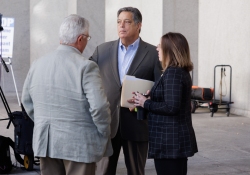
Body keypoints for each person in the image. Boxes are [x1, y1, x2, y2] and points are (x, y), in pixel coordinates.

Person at [22, 14, 113, 175]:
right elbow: (99, 107)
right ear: (80, 38)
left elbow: (27, 101)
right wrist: (104, 131)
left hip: (47, 142)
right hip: (79, 145)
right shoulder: (86, 67)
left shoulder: (38, 64)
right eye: (88, 38)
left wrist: (44, 122)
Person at [90, 7, 161, 175]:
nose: (121, 26)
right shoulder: (102, 50)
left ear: (139, 25)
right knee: (103, 171)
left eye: (127, 22)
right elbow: (87, 77)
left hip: (137, 123)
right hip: (107, 124)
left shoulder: (153, 53)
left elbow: (159, 86)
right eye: (118, 22)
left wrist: (147, 99)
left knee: (136, 171)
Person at [134, 32, 198, 175]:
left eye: (160, 46)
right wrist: (152, 97)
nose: (157, 48)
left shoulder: (173, 73)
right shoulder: (178, 71)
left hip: (170, 141)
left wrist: (146, 103)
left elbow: (171, 106)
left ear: (170, 49)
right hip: (173, 140)